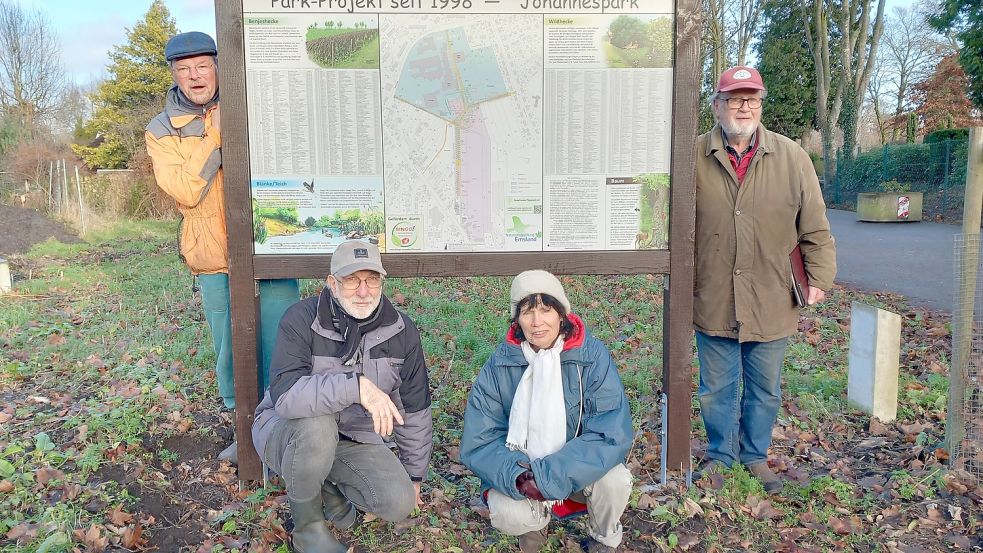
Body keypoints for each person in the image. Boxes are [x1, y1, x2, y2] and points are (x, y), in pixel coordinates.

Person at [145, 32, 300, 462]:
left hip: (271, 244)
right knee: (231, 348)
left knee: (284, 337)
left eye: (202, 65)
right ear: (174, 74)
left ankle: (284, 428)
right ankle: (245, 431)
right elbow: (183, 189)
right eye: (184, 68)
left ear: (218, 66)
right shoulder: (162, 129)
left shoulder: (253, 103)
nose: (194, 76)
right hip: (211, 252)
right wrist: (217, 141)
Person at [694, 66, 836, 493]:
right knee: (716, 388)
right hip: (714, 293)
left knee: (765, 389)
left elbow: (815, 224)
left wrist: (820, 274)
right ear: (717, 105)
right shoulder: (690, 156)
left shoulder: (792, 157)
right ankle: (720, 455)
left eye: (752, 99)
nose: (744, 107)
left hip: (773, 293)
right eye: (735, 99)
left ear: (760, 104)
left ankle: (754, 455)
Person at [251, 240, 432, 553]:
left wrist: (414, 474)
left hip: (355, 439)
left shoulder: (402, 331)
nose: (363, 291)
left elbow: (414, 408)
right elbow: (286, 396)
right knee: (317, 424)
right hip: (286, 431)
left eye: (371, 279)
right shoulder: (300, 320)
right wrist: (356, 386)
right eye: (351, 280)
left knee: (398, 501)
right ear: (331, 283)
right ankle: (308, 531)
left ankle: (326, 485)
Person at [460, 270, 633, 553]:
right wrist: (518, 476)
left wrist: (549, 476)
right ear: (516, 319)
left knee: (615, 481)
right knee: (508, 512)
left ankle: (603, 536)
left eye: (546, 309)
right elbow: (480, 439)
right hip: (524, 473)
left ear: (561, 314)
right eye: (527, 311)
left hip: (576, 469)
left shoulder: (591, 357)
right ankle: (533, 528)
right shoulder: (499, 365)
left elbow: (609, 432)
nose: (537, 321)